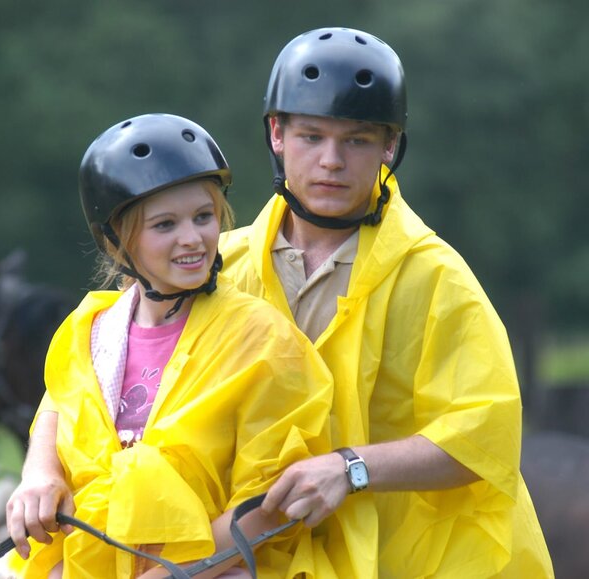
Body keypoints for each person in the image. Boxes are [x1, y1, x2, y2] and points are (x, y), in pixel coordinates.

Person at [218, 28, 554, 577]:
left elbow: (486, 435)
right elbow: (112, 379)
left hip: (415, 563)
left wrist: (350, 468)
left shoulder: (435, 276)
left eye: (356, 141)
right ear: (277, 134)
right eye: (311, 137)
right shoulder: (218, 271)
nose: (331, 160)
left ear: (389, 147)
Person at [5, 113, 343, 578]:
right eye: (164, 225)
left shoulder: (263, 339)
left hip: (219, 568)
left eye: (203, 217)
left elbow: (269, 503)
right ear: (117, 240)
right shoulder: (92, 329)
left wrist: (170, 574)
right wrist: (39, 473)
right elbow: (61, 403)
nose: (192, 238)